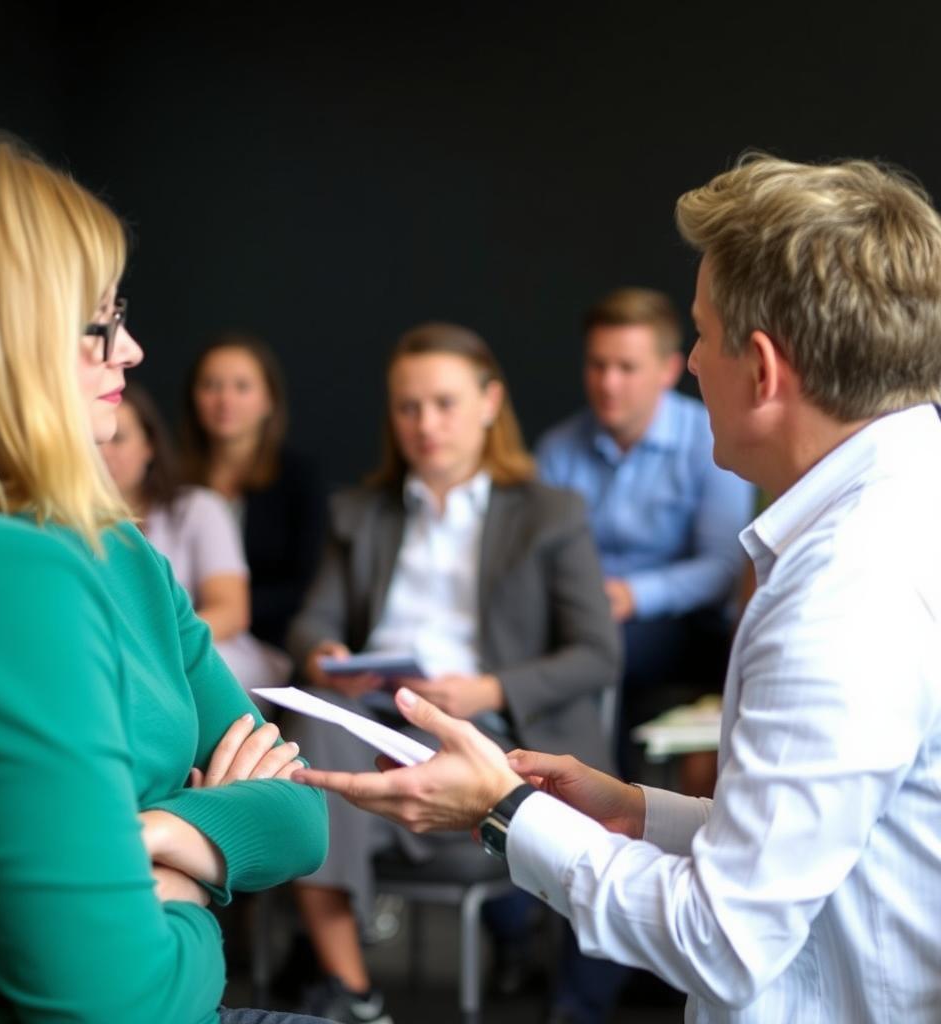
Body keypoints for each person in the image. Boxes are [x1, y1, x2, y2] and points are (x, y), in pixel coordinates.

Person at [295, 154, 941, 1023]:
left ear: (762, 369)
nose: (690, 369)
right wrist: (633, 808)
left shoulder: (842, 596)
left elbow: (721, 937)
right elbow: (817, 841)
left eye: (702, 338)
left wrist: (505, 812)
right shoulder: (897, 510)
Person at [0, 126, 329, 1024]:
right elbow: (113, 1005)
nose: (132, 352)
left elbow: (300, 818)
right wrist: (195, 892)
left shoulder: (116, 550)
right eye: (100, 326)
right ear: (3, 344)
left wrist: (159, 838)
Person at [283, 322, 621, 1023]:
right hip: (373, 712)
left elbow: (598, 651)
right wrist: (329, 660)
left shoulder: (549, 514)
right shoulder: (361, 513)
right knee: (307, 727)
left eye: (443, 403)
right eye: (408, 407)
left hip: (485, 726)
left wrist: (486, 689)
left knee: (310, 773)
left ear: (490, 401)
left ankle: (347, 990)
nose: (424, 424)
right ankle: (354, 992)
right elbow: (312, 624)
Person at [535, 288, 754, 776]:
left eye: (627, 368)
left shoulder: (708, 440)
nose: (609, 383)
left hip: (681, 632)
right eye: (597, 365)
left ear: (669, 369)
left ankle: (595, 798)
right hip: (581, 621)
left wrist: (631, 596)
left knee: (599, 653)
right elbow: (534, 560)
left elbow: (723, 570)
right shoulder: (557, 449)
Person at [101, 382, 290, 688]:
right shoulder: (62, 524)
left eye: (117, 439)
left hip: (202, 650)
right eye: (94, 441)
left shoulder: (199, 508)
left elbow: (231, 611)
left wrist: (153, 646)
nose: (103, 453)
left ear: (149, 445)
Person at [184, 334, 326, 649]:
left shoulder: (299, 477)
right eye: (211, 385)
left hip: (268, 640)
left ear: (269, 400)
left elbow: (305, 584)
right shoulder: (172, 478)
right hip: (184, 630)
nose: (225, 400)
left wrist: (230, 612)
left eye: (242, 387)